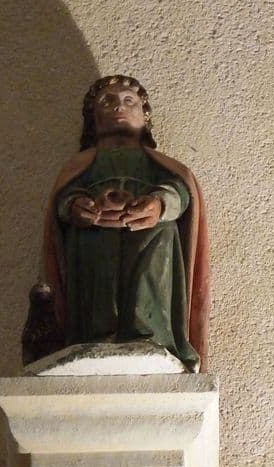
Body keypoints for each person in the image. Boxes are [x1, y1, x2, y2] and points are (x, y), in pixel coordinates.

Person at [39, 75, 210, 372]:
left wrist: (158, 205)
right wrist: (77, 206)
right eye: (107, 102)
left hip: (147, 227)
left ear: (145, 116)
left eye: (129, 101)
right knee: (91, 239)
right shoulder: (82, 164)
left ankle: (148, 333)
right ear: (93, 118)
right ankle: (96, 334)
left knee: (161, 232)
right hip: (95, 230)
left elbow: (182, 193)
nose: (118, 106)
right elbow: (63, 201)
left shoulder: (159, 164)